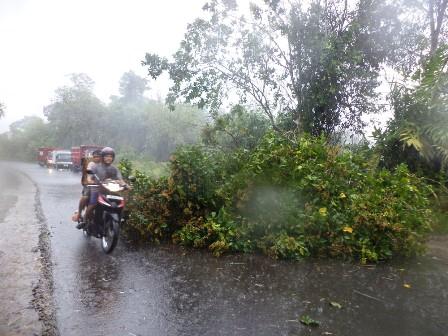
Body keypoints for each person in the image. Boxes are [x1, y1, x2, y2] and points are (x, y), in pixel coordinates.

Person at [83, 147, 127, 223]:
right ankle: (85, 220)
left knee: (121, 202)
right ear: (102, 157)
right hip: (97, 189)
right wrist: (91, 181)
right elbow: (89, 177)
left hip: (110, 191)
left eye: (111, 156)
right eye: (106, 156)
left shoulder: (114, 169)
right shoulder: (95, 167)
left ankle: (121, 218)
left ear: (113, 158)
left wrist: (125, 185)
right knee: (93, 204)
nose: (109, 158)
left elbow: (120, 180)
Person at [73, 149, 102, 228]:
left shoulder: (104, 165)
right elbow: (89, 175)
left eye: (99, 157)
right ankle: (79, 213)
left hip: (102, 186)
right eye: (95, 157)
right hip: (90, 185)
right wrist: (90, 181)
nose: (97, 158)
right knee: (86, 197)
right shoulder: (91, 164)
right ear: (93, 157)